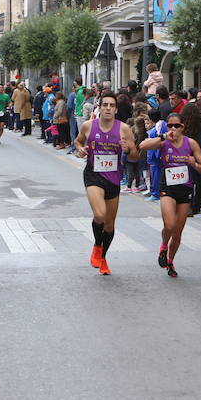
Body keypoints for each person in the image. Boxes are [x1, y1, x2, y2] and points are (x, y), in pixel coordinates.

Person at [74, 91, 138, 276]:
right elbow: (78, 142)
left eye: (112, 105)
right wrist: (81, 149)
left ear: (116, 109)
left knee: (109, 225)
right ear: (100, 107)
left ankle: (103, 257)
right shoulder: (88, 126)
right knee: (100, 215)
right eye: (105, 105)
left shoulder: (124, 129)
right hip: (94, 175)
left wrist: (127, 150)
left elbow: (135, 156)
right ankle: (96, 245)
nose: (108, 108)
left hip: (113, 179)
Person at [140, 112, 201, 277]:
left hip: (185, 190)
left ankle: (170, 262)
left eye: (176, 126)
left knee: (177, 232)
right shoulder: (163, 142)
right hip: (168, 188)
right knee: (169, 225)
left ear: (182, 127)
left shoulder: (190, 143)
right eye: (169, 125)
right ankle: (163, 246)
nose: (173, 128)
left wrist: (194, 163)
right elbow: (142, 146)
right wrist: (163, 136)